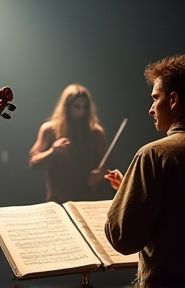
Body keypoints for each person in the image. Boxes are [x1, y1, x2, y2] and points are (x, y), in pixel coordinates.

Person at [104, 54, 185, 287]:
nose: (151, 109)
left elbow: (124, 238)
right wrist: (131, 189)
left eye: (156, 98)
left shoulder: (153, 154)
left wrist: (122, 198)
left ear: (173, 101)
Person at [29, 83, 110, 203]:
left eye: (85, 107)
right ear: (66, 107)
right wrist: (53, 151)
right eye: (77, 107)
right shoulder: (49, 130)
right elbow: (33, 162)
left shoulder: (96, 132)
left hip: (86, 199)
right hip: (57, 200)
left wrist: (100, 176)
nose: (81, 112)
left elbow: (106, 166)